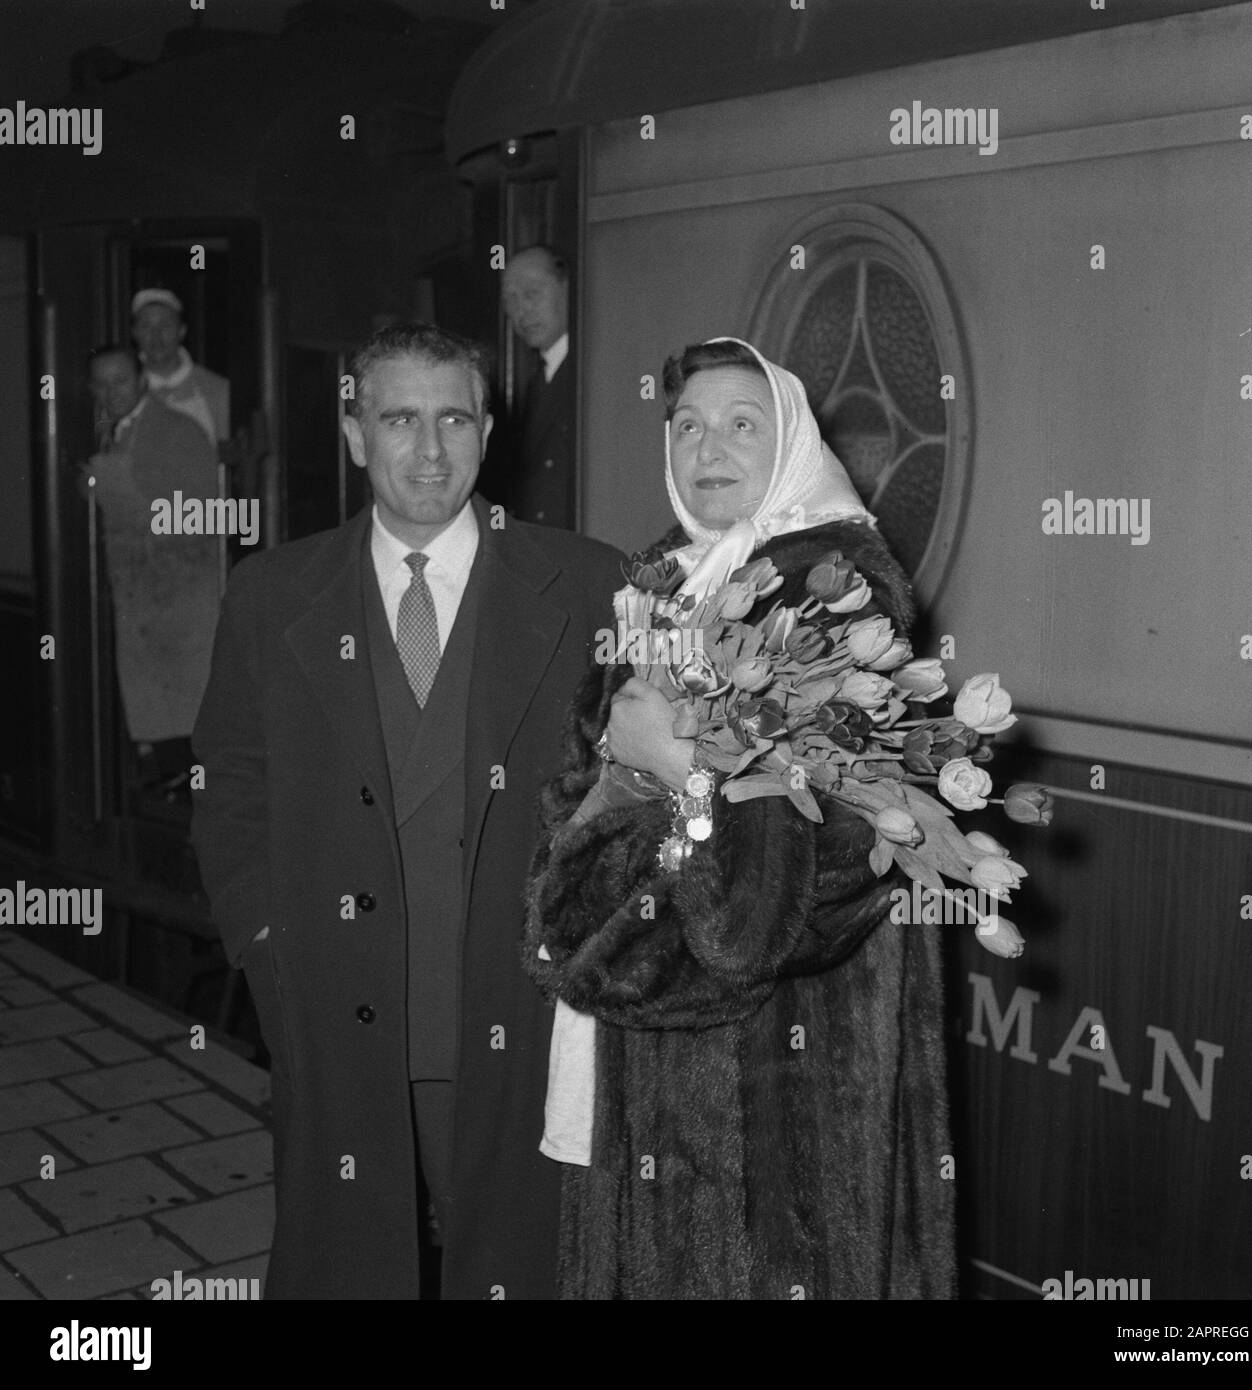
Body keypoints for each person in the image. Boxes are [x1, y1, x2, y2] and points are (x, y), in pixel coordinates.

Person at [190, 322, 625, 1300]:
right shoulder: (271, 594)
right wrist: (266, 939)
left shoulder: (591, 583)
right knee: (349, 1260)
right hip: (342, 1015)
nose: (430, 450)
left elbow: (629, 798)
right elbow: (230, 781)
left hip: (522, 1017)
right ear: (353, 434)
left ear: (487, 431)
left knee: (526, 1265)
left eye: (454, 418)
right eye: (398, 419)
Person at [525, 337, 955, 1300]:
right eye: (685, 425)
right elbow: (573, 792)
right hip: (650, 1032)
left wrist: (675, 770)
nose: (704, 446)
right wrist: (613, 813)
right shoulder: (665, 580)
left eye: (739, 424)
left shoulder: (837, 592)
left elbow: (810, 883)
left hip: (782, 1061)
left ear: (793, 447)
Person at [84, 343, 222, 792]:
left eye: (119, 380)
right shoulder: (109, 431)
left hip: (180, 598)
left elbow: (209, 520)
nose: (110, 392)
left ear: (142, 379)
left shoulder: (179, 432)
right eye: (100, 384)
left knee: (184, 715)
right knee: (154, 714)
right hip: (135, 597)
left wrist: (134, 509)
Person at [501, 245, 573, 527]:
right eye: (511, 300)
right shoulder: (537, 378)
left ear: (566, 288)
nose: (521, 311)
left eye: (531, 294)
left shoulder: (588, 372)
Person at [131, 287, 230, 447]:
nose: (156, 335)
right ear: (134, 333)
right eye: (146, 326)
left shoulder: (217, 390)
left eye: (165, 325)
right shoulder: (124, 389)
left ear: (182, 331)